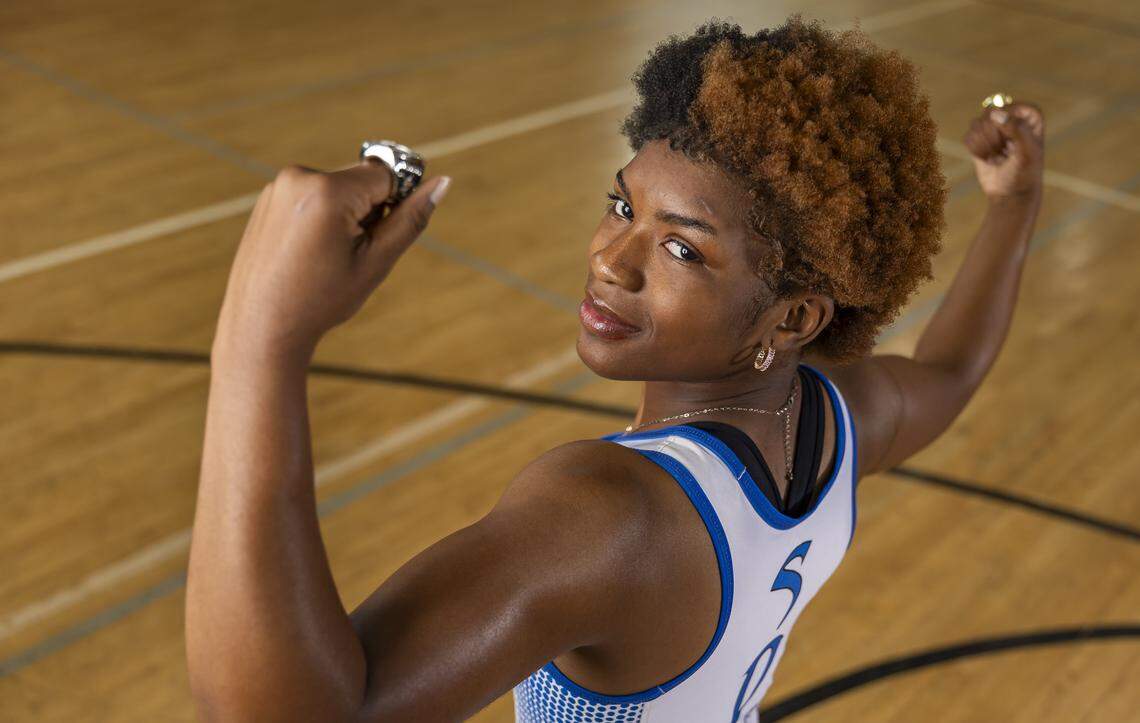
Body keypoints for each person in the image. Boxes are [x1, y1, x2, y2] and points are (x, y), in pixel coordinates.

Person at [184, 14, 1045, 723]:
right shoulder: (837, 421)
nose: (612, 261)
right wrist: (1014, 203)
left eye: (680, 246)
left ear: (795, 316)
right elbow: (953, 367)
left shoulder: (613, 516)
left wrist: (259, 337)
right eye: (621, 205)